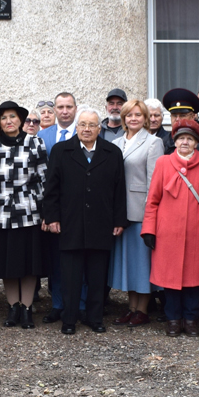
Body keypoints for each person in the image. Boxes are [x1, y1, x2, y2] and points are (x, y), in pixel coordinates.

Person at [41, 108, 127, 334]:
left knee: (97, 276)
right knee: (70, 275)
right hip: (70, 223)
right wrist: (52, 217)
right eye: (83, 124)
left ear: (100, 128)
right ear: (76, 127)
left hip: (102, 222)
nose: (87, 129)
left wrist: (119, 219)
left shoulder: (112, 152)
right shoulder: (61, 151)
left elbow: (119, 190)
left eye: (92, 125)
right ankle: (69, 320)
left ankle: (95, 318)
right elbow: (51, 188)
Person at [143, 119, 199, 335]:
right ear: (174, 141)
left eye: (189, 139)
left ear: (197, 142)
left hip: (197, 231)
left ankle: (191, 319)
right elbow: (153, 199)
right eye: (180, 138)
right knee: (170, 279)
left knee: (194, 280)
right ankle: (173, 319)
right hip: (167, 231)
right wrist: (149, 229)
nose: (185, 142)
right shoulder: (163, 163)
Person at [0, 100, 48, 328]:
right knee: (8, 263)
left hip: (29, 212)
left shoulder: (35, 142)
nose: (8, 121)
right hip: (0, 214)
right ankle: (13, 307)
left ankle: (27, 308)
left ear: (21, 120)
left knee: (29, 264)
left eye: (12, 116)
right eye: (3, 118)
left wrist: (44, 213)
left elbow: (44, 179)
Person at [111, 99, 160, 326]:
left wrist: (152, 213)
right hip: (120, 211)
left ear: (145, 118)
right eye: (129, 115)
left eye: (138, 115)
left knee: (142, 262)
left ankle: (142, 310)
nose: (133, 119)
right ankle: (131, 308)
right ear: (123, 117)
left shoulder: (153, 142)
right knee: (128, 263)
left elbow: (154, 182)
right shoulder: (116, 141)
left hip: (140, 210)